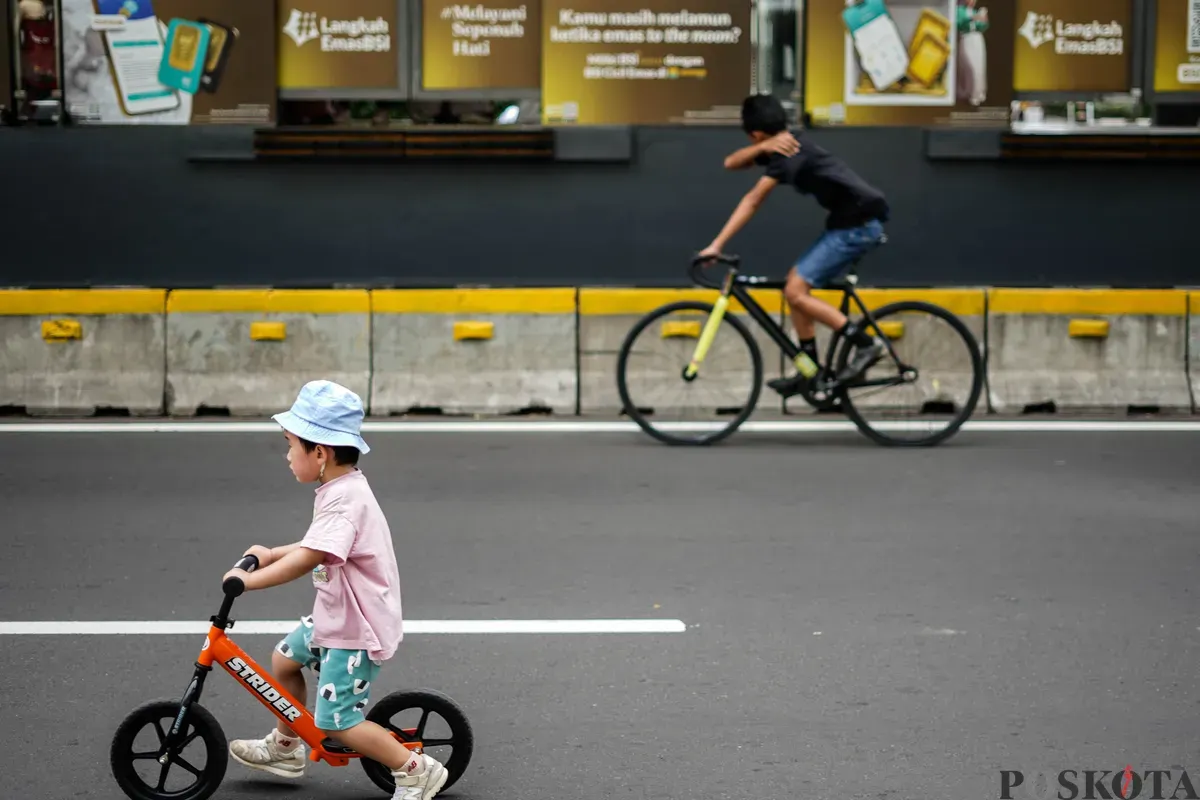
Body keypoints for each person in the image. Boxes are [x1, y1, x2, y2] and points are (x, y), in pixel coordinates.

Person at [222, 380, 447, 800]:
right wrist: (271, 553)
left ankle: (416, 769)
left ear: (320, 453)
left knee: (336, 721)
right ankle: (287, 748)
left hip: (355, 628)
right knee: (285, 659)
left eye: (290, 445)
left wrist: (249, 580)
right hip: (339, 612)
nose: (287, 455)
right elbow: (315, 546)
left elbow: (309, 558)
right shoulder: (340, 489)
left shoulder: (344, 501)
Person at [698, 93, 890, 398]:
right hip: (848, 224)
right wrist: (761, 147)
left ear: (756, 133)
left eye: (754, 139)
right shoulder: (781, 145)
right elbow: (730, 163)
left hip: (858, 227)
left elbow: (753, 200)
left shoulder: (789, 152)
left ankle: (867, 345)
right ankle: (810, 370)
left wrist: (716, 245)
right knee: (795, 288)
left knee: (795, 290)